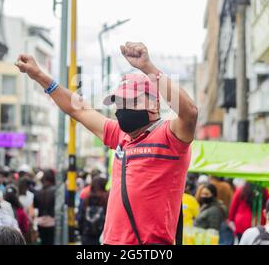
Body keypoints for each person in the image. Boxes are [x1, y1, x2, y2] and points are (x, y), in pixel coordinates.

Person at [16, 42, 198, 245]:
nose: (123, 108)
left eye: (131, 101)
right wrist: (39, 76)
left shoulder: (171, 137)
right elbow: (78, 109)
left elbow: (190, 111)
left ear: (155, 104)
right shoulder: (120, 135)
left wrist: (148, 67)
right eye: (119, 103)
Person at [78, 176, 109, 245]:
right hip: (103, 235)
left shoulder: (86, 197)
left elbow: (80, 216)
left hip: (87, 234)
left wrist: (81, 232)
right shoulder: (107, 197)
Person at [33, 169, 56, 245]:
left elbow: (35, 205)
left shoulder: (38, 191)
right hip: (52, 221)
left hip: (40, 221)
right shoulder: (55, 190)